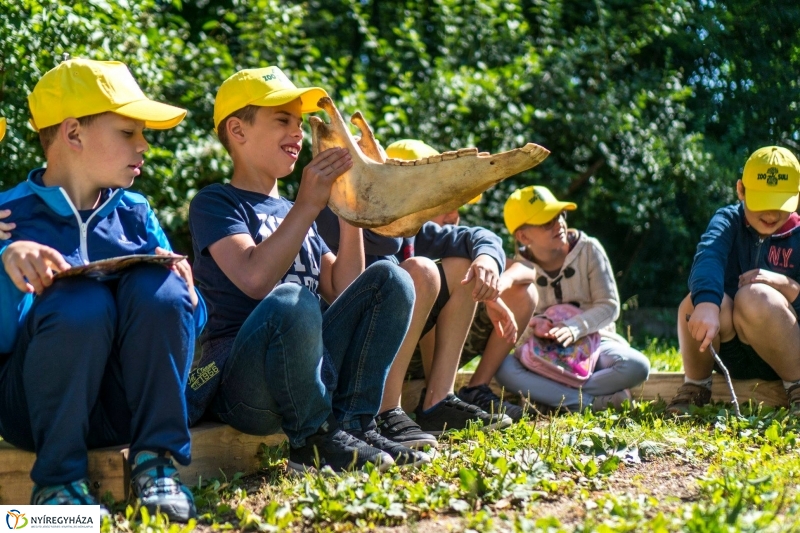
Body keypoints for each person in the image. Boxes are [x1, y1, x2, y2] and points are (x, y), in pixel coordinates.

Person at [185, 67, 426, 472]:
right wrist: (308, 205)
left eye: (298, 123)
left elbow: (344, 287)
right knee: (291, 300)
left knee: (392, 278)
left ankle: (354, 424)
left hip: (312, 373)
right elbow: (255, 278)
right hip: (248, 388)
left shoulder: (298, 212)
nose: (298, 133)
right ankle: (312, 439)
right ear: (237, 131)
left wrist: (348, 208)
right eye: (282, 120)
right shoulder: (216, 203)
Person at [0, 59, 205, 518]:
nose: (144, 145)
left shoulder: (136, 211)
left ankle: (157, 466)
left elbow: (187, 324)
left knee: (159, 283)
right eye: (128, 132)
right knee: (81, 298)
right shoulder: (7, 216)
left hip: (122, 408)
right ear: (73, 134)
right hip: (33, 411)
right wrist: (5, 266)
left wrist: (187, 296)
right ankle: (56, 489)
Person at [317, 139, 515, 449]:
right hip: (340, 349)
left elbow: (475, 236)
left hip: (384, 343)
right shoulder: (333, 213)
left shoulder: (413, 227)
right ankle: (384, 410)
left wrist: (487, 260)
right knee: (421, 271)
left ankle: (437, 402)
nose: (439, 202)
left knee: (462, 263)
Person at [489, 185, 650, 412]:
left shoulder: (589, 249)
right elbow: (516, 332)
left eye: (560, 215)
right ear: (523, 236)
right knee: (502, 367)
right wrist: (534, 326)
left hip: (596, 346)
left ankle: (549, 397)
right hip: (543, 357)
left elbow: (610, 306)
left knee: (637, 366)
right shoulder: (517, 269)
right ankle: (593, 404)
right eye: (547, 222)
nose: (559, 224)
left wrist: (575, 327)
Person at [668, 146, 800, 414]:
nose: (772, 215)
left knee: (755, 297)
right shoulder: (728, 220)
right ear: (741, 190)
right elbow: (709, 255)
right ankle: (696, 385)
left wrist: (789, 287)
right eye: (762, 202)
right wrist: (706, 302)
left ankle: (797, 385)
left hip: (788, 353)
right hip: (730, 352)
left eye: (781, 204)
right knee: (692, 305)